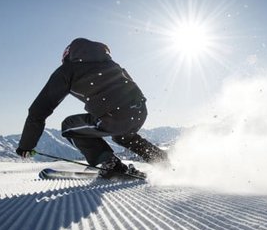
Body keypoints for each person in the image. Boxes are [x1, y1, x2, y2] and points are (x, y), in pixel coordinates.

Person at [16, 38, 169, 177]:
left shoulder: (68, 70)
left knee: (68, 126)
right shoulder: (111, 64)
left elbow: (39, 110)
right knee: (123, 136)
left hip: (114, 116)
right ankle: (161, 160)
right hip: (139, 111)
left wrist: (26, 145)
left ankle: (110, 164)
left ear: (68, 55)